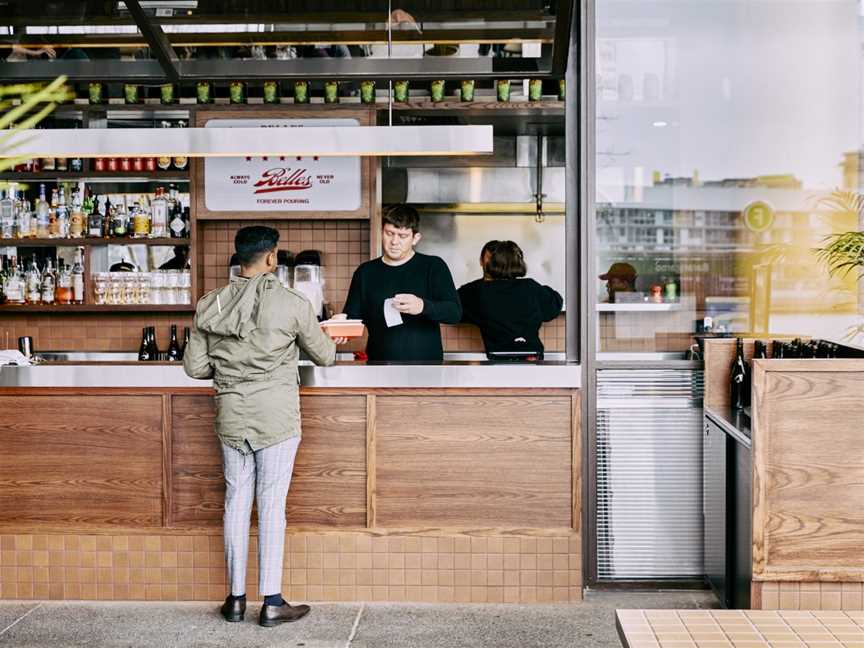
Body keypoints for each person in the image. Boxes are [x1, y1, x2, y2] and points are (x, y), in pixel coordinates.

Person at [183, 226, 345, 627]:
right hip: (276, 416)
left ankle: (235, 600)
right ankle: (272, 601)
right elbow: (325, 357)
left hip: (231, 415)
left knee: (236, 502)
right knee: (271, 503)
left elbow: (195, 367)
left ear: (239, 259)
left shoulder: (210, 304)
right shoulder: (292, 303)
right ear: (272, 259)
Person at [340, 204, 461, 362]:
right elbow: (352, 318)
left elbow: (454, 313)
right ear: (382, 232)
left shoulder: (433, 267)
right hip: (379, 367)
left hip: (427, 368)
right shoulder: (366, 272)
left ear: (415, 238)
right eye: (389, 233)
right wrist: (340, 328)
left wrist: (423, 306)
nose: (394, 242)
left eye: (402, 236)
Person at [458, 240, 563, 359]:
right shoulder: (530, 287)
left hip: (497, 359)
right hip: (533, 358)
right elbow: (553, 307)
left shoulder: (476, 291)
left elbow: (454, 312)